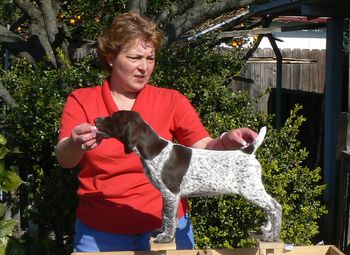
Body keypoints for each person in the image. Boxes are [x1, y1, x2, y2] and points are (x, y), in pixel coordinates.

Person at [55, 11, 257, 252]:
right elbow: (64, 159)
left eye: (150, 58)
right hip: (100, 233)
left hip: (167, 230)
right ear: (110, 57)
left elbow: (202, 146)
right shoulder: (82, 100)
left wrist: (225, 142)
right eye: (135, 57)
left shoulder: (171, 100)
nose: (144, 67)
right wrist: (75, 143)